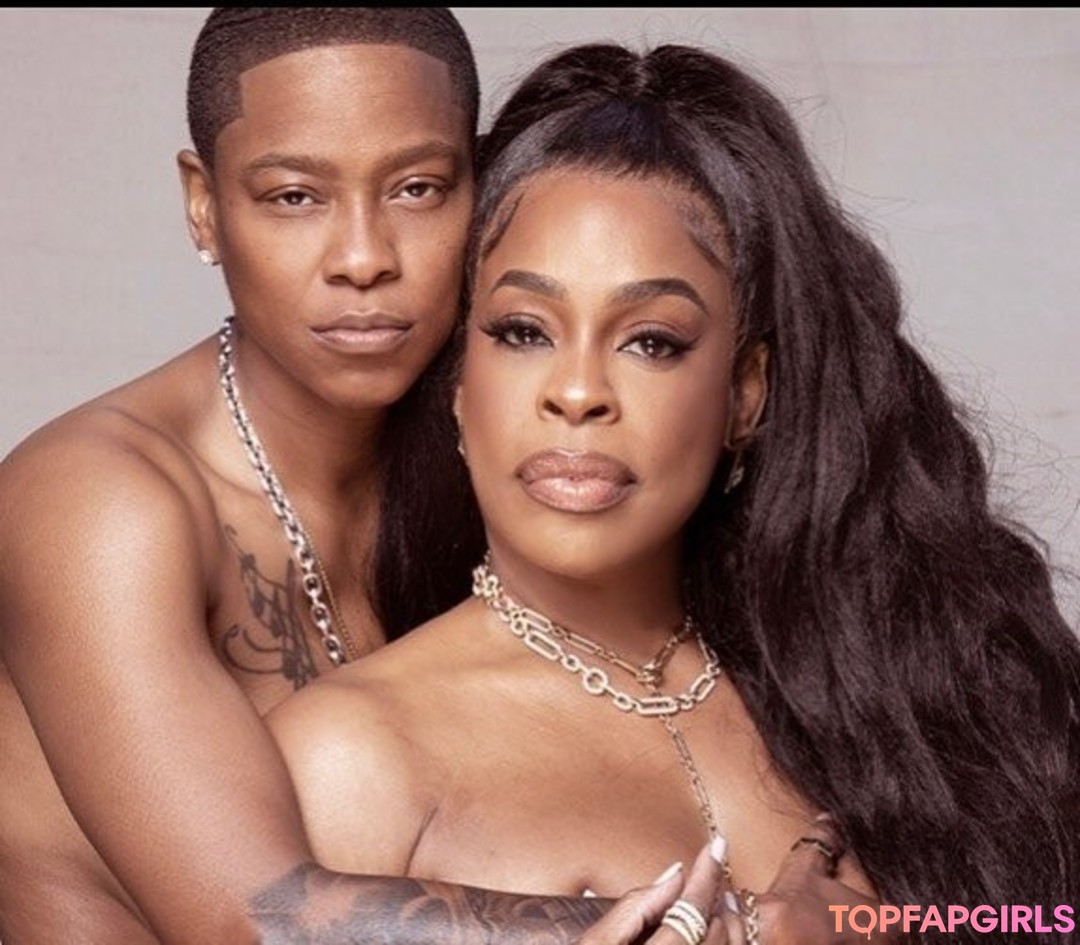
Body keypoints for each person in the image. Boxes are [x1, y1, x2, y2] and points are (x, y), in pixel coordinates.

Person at [266, 41, 1080, 945]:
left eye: (651, 341)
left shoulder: (876, 688)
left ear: (745, 395)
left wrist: (877, 928)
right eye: (524, 330)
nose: (578, 392)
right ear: (461, 383)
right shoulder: (348, 758)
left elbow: (1042, 915)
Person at [0, 10, 707, 945]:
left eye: (417, 188)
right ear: (205, 205)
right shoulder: (98, 502)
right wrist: (729, 920)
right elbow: (257, 921)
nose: (365, 258)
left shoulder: (511, 468)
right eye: (296, 196)